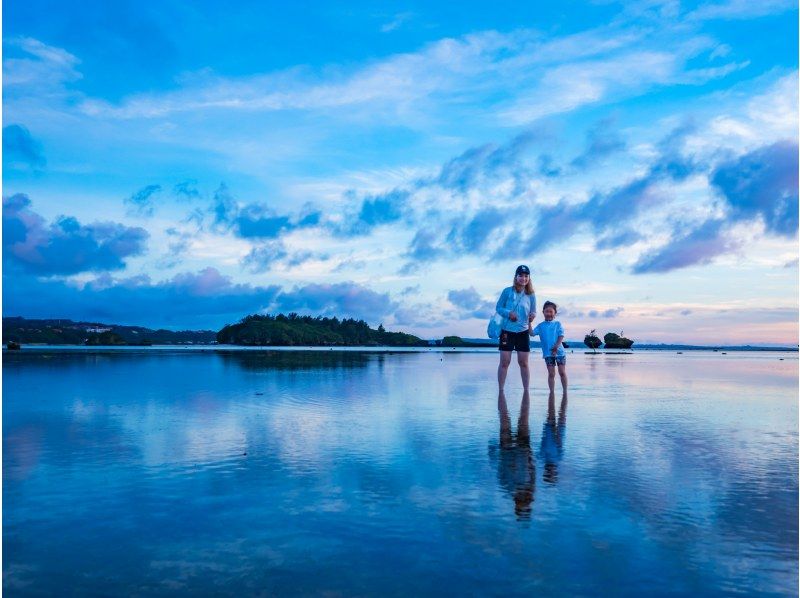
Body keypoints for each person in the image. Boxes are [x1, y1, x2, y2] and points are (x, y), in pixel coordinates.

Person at [495, 265, 537, 394]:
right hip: (507, 331)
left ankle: (526, 391)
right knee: (505, 362)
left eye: (526, 276)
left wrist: (533, 315)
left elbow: (533, 311)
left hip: (523, 332)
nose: (523, 278)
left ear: (529, 278)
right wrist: (509, 313)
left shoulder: (531, 295)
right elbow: (498, 308)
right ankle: (501, 391)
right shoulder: (507, 291)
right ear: (516, 277)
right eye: (521, 275)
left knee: (523, 363)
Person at [529, 301, 568, 397]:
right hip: (548, 354)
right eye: (547, 311)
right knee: (551, 374)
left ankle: (565, 392)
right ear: (543, 312)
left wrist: (556, 346)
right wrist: (529, 322)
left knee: (562, 372)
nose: (549, 314)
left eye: (551, 312)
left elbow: (561, 335)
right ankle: (552, 393)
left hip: (560, 353)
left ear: (554, 313)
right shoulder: (541, 325)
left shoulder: (557, 324)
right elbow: (532, 333)